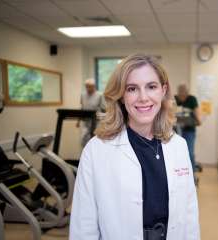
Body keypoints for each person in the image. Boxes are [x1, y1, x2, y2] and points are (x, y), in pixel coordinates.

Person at [70, 54, 200, 240]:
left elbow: (190, 214)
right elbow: (84, 225)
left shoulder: (178, 146)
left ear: (163, 91)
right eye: (132, 89)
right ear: (121, 96)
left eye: (151, 87)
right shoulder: (97, 150)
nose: (143, 98)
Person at [174, 84, 201, 172]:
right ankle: (177, 174)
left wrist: (198, 120)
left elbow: (198, 116)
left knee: (189, 153)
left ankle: (192, 176)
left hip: (189, 131)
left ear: (187, 93)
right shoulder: (175, 99)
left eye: (184, 95)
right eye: (180, 95)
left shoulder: (192, 99)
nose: (182, 97)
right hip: (175, 131)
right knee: (176, 154)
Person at [76, 78, 105, 147]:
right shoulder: (83, 95)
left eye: (90, 86)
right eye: (87, 86)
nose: (88, 88)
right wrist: (78, 121)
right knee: (84, 140)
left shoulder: (100, 95)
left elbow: (104, 109)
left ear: (94, 86)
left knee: (96, 142)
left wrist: (105, 121)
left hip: (97, 122)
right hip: (86, 122)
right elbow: (82, 107)